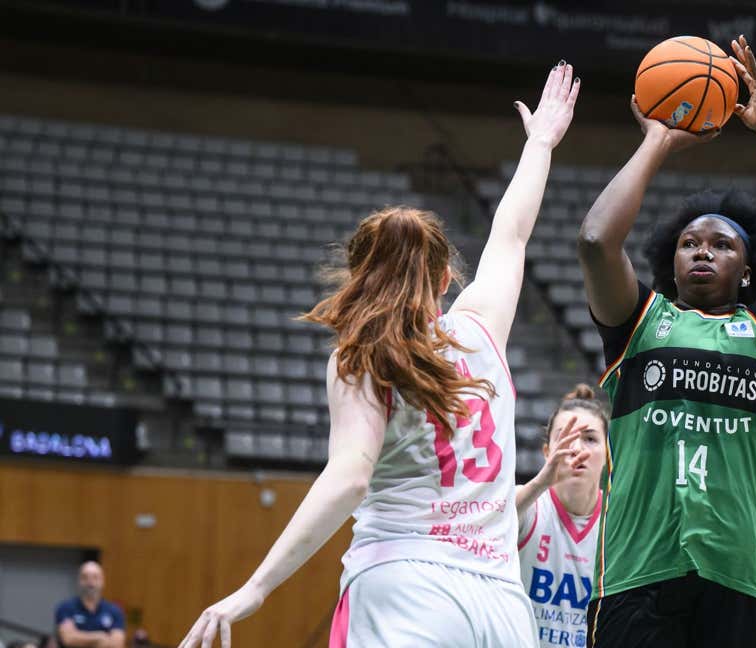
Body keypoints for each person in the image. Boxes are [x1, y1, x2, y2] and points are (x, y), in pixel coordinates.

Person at [178, 60, 580, 648]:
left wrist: (257, 586)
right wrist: (540, 144)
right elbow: (511, 232)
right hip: (500, 600)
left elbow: (348, 477)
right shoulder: (481, 327)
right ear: (446, 279)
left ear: (359, 274)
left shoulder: (364, 354)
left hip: (404, 583)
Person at [578, 35, 756, 648]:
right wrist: (657, 140)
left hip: (737, 567)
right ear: (672, 259)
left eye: (721, 244)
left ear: (748, 269)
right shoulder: (637, 322)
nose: (703, 251)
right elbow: (595, 241)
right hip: (638, 563)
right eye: (690, 242)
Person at [516, 385, 608, 648]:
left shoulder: (617, 520)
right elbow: (488, 520)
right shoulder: (529, 504)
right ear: (548, 452)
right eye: (566, 439)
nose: (577, 449)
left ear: (608, 453)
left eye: (590, 438)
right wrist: (540, 482)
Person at [55, 561, 125, 648]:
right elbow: (68, 639)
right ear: (79, 581)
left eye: (95, 577)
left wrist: (80, 637)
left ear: (103, 581)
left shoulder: (114, 611)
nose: (90, 582)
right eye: (85, 577)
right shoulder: (66, 608)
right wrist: (99, 637)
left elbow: (117, 644)